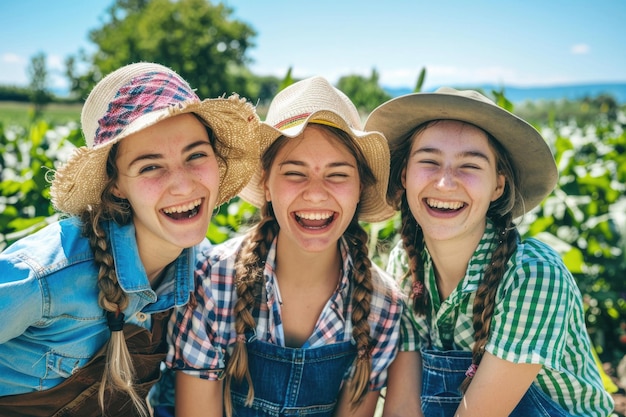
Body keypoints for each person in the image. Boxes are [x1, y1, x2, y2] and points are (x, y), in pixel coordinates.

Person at [0, 62, 260, 417]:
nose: (183, 185)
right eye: (150, 166)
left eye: (196, 155)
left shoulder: (200, 268)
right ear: (116, 185)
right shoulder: (47, 275)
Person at [364, 87, 615, 417]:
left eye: (469, 165)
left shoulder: (532, 275)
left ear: (498, 185)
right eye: (429, 161)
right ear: (404, 176)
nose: (445, 183)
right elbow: (402, 407)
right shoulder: (404, 265)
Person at [167, 76, 405, 417]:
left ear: (360, 189)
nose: (316, 193)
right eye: (295, 173)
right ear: (266, 184)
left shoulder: (383, 305)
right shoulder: (211, 281)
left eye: (337, 175)